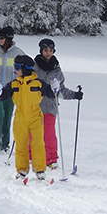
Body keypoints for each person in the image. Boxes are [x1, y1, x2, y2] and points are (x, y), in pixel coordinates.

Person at [0, 55, 56, 180]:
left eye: (17, 67)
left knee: (37, 143)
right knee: (21, 144)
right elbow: (4, 95)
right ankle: (22, 169)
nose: (15, 70)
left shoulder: (38, 83)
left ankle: (39, 169)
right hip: (20, 116)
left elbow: (50, 92)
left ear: (25, 69)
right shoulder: (14, 84)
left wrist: (55, 88)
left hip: (35, 116)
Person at [33, 38, 83, 169]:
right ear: (41, 51)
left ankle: (51, 159)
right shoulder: (34, 66)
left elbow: (61, 90)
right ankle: (32, 156)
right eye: (45, 50)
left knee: (49, 134)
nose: (48, 53)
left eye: (51, 50)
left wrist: (74, 95)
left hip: (50, 107)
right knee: (33, 133)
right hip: (34, 106)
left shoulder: (56, 69)